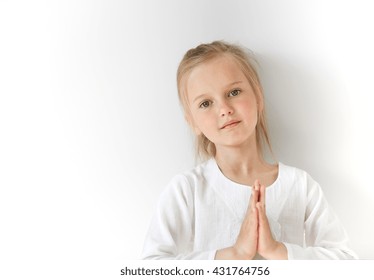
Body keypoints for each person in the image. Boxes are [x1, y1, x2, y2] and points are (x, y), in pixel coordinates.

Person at [141, 41, 357, 260]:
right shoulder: (187, 190)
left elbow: (346, 260)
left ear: (258, 98)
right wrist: (233, 254)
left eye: (234, 92)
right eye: (206, 103)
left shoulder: (300, 186)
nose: (225, 109)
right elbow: (151, 266)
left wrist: (276, 250)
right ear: (192, 122)